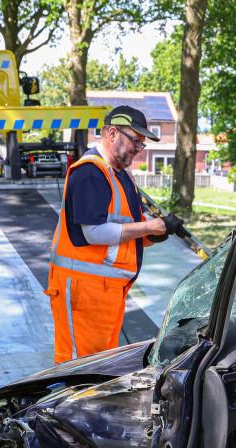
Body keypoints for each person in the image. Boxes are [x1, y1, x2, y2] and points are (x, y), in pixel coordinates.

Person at [47, 105, 181, 363]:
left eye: (141, 145)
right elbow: (94, 233)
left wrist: (160, 231)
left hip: (105, 295)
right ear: (111, 133)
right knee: (77, 369)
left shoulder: (120, 176)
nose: (137, 149)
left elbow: (127, 233)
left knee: (98, 368)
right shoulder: (90, 172)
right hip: (82, 293)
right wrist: (149, 227)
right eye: (135, 140)